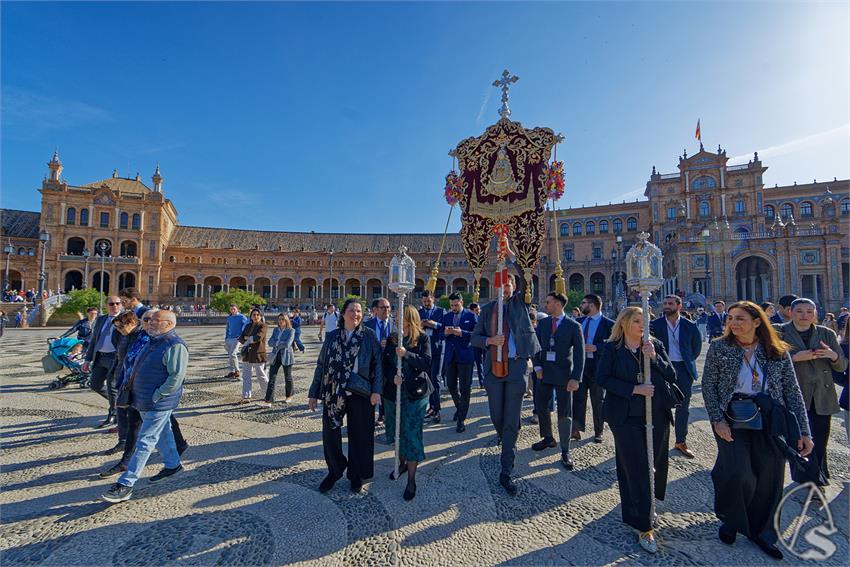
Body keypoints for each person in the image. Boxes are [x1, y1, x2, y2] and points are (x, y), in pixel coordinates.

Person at [702, 301, 813, 560]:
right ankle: (732, 520)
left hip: (769, 417)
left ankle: (763, 533)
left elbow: (792, 391)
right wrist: (717, 419)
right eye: (730, 318)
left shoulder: (776, 350)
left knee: (770, 476)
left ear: (757, 321)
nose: (733, 323)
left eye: (740, 318)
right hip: (733, 416)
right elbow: (709, 385)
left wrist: (804, 431)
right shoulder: (720, 347)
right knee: (738, 472)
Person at [596, 306, 677, 553]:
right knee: (636, 465)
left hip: (656, 412)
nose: (644, 325)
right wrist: (633, 389)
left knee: (656, 462)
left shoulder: (655, 344)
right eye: (638, 321)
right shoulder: (612, 348)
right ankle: (642, 525)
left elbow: (672, 375)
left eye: (646, 321)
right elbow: (603, 379)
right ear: (624, 324)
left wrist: (654, 358)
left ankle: (648, 504)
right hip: (625, 415)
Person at [101, 310, 188, 503]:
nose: (151, 323)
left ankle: (126, 483)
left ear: (169, 324)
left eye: (157, 320)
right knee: (164, 434)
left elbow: (176, 377)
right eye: (149, 320)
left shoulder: (175, 345)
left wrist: (158, 395)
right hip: (143, 398)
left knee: (145, 440)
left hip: (158, 402)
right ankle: (173, 465)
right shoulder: (151, 341)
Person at [471, 268, 541, 495]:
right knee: (496, 415)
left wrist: (511, 254)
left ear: (513, 287)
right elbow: (475, 337)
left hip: (516, 367)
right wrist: (490, 340)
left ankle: (506, 470)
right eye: (501, 285)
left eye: (508, 285)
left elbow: (526, 276)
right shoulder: (489, 309)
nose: (505, 288)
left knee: (511, 420)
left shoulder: (520, 304)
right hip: (494, 369)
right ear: (495, 288)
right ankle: (503, 434)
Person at [308, 298, 383, 494]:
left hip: (361, 392)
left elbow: (378, 365)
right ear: (343, 314)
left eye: (359, 311)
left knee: (361, 436)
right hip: (333, 390)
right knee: (330, 434)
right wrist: (313, 393)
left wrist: (377, 391)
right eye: (352, 310)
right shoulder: (332, 336)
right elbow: (321, 365)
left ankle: (356, 474)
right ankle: (335, 469)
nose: (356, 314)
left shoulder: (369, 335)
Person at [776, 298, 847, 482]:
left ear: (815, 313)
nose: (804, 315)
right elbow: (768, 361)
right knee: (797, 438)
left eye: (809, 311)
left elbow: (842, 366)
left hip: (822, 395)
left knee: (821, 438)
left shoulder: (827, 333)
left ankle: (817, 475)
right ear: (790, 312)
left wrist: (832, 356)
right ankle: (807, 476)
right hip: (794, 394)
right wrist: (794, 357)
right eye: (799, 311)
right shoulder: (779, 331)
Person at [382, 305, 431, 500]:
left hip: (415, 393)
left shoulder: (422, 338)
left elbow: (426, 363)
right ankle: (401, 463)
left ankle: (412, 479)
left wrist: (407, 355)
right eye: (395, 317)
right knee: (397, 431)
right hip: (394, 393)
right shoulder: (393, 339)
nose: (395, 319)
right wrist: (392, 376)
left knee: (411, 433)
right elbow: (384, 365)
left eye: (399, 317)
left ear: (409, 319)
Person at [531, 292, 584, 469]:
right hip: (544, 374)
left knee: (564, 412)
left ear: (558, 304)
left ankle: (565, 449)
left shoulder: (573, 326)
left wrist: (576, 378)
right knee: (541, 407)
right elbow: (536, 346)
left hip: (564, 376)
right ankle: (548, 438)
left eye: (548, 302)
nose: (545, 305)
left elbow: (580, 354)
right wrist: (537, 366)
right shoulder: (544, 323)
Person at [650, 295, 703, 459]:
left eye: (670, 304)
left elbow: (696, 347)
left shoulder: (690, 326)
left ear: (679, 306)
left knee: (683, 407)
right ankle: (657, 443)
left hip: (683, 368)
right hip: (662, 368)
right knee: (659, 405)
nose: (666, 306)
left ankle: (681, 440)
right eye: (664, 303)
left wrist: (687, 361)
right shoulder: (655, 325)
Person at [573, 294, 614, 443]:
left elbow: (614, 345)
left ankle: (599, 430)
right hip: (581, 366)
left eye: (583, 303)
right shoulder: (579, 322)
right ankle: (576, 428)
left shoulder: (609, 324)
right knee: (578, 398)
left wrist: (597, 347)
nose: (581, 305)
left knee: (598, 400)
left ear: (592, 305)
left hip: (598, 366)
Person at [440, 292, 478, 433]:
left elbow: (476, 334)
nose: (454, 308)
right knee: (450, 385)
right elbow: (440, 334)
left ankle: (461, 419)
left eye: (456, 305)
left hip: (465, 356)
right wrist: (446, 333)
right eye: (451, 306)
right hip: (451, 356)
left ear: (461, 302)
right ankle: (460, 407)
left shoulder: (470, 316)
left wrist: (462, 333)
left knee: (465, 388)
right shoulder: (447, 316)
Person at [84, 295, 124, 428]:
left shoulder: (124, 319)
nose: (115, 306)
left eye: (118, 304)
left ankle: (113, 414)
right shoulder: (101, 319)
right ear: (106, 305)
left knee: (112, 387)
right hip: (100, 357)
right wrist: (87, 359)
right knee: (95, 384)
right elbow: (94, 340)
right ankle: (120, 404)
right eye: (112, 304)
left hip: (114, 357)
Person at [365, 297, 394, 426]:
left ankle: (384, 415)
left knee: (387, 389)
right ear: (375, 310)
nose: (386, 310)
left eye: (388, 307)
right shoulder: (367, 325)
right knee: (373, 388)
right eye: (383, 307)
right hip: (374, 362)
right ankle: (370, 416)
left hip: (389, 362)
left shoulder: (395, 323)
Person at [418, 290, 446, 422]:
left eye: (428, 301)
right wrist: (420, 326)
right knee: (427, 380)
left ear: (433, 299)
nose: (426, 304)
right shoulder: (420, 312)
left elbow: (444, 327)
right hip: (424, 352)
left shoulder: (441, 311)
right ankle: (431, 407)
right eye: (424, 302)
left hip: (437, 350)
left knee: (435, 379)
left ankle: (437, 409)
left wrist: (432, 324)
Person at [237, 308, 269, 404]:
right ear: (251, 316)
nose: (255, 316)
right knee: (246, 376)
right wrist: (248, 339)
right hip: (247, 354)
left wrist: (248, 338)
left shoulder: (263, 326)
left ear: (261, 316)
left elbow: (258, 337)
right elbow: (241, 338)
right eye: (254, 315)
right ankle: (246, 396)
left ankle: (268, 394)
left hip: (258, 353)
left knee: (261, 375)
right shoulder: (248, 326)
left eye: (257, 315)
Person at [264, 313, 295, 405]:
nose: (281, 321)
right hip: (275, 355)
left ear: (286, 321)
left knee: (288, 377)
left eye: (283, 319)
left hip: (286, 356)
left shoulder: (291, 330)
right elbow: (270, 342)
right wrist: (279, 342)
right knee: (272, 377)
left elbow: (287, 344)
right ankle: (269, 399)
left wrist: (277, 343)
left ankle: (289, 395)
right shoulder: (275, 330)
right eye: (279, 319)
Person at [224, 304, 248, 379]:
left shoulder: (242, 317)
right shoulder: (229, 318)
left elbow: (246, 327)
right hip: (229, 339)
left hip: (237, 338)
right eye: (231, 309)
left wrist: (242, 336)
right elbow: (227, 328)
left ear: (237, 309)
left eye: (234, 309)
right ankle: (232, 371)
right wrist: (226, 338)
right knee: (230, 355)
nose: (232, 310)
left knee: (233, 354)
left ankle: (237, 371)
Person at [469, 302, 485, 388]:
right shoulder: (469, 318)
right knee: (470, 365)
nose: (479, 311)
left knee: (480, 363)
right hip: (471, 345)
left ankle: (482, 382)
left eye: (479, 309)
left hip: (481, 343)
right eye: (477, 310)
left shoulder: (481, 317)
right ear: (472, 311)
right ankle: (469, 383)